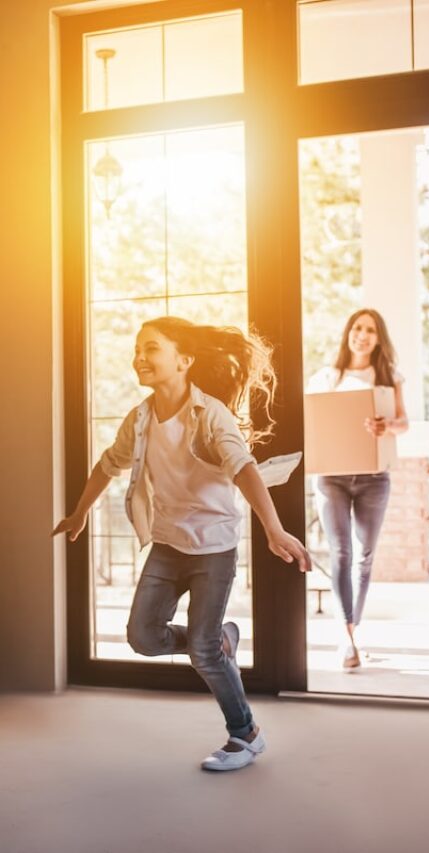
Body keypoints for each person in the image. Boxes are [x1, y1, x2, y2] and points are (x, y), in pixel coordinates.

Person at [53, 316, 311, 771]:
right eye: (138, 348)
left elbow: (244, 468)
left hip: (214, 547)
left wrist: (273, 528)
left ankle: (245, 734)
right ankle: (215, 641)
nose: (140, 356)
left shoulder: (210, 413)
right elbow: (107, 464)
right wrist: (79, 513)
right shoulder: (140, 418)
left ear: (184, 360)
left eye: (151, 348)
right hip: (168, 545)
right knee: (142, 637)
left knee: (203, 653)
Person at [307, 309, 408, 670]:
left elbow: (404, 422)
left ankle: (353, 630)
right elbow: (313, 421)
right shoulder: (326, 377)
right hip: (332, 478)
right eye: (357, 328)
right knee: (341, 553)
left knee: (364, 558)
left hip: (373, 478)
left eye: (370, 330)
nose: (362, 335)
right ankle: (345, 636)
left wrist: (387, 425)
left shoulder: (388, 377)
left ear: (379, 338)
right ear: (347, 333)